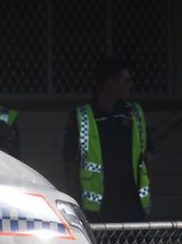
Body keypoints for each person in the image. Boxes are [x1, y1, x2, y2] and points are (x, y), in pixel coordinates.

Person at [63, 57, 153, 223]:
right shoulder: (83, 116)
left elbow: (147, 157)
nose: (130, 85)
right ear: (110, 82)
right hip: (96, 210)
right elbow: (70, 164)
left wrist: (151, 199)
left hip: (133, 206)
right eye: (126, 80)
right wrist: (74, 205)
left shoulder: (134, 114)